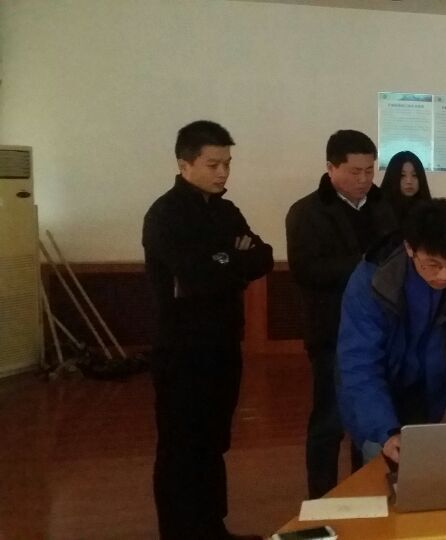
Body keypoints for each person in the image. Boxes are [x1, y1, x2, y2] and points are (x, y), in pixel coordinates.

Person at [143, 120, 273, 540]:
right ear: (184, 165)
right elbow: (194, 276)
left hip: (223, 345)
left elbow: (263, 257)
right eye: (213, 164)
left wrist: (223, 260)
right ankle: (178, 533)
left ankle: (212, 528)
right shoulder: (165, 215)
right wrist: (231, 258)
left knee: (214, 442)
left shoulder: (225, 210)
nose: (223, 173)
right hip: (181, 350)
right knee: (180, 446)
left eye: (227, 163)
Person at [336, 198, 446, 465]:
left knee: (424, 472)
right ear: (410, 248)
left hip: (428, 393)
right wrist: (386, 431)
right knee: (379, 470)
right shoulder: (372, 279)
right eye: (433, 264)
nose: (444, 275)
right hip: (375, 396)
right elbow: (359, 361)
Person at [286, 130, 398, 498]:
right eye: (355, 171)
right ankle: (321, 499)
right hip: (331, 331)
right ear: (331, 168)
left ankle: (364, 492)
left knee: (370, 419)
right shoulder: (306, 212)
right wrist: (365, 265)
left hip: (380, 331)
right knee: (330, 421)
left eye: (370, 170)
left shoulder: (384, 207)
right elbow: (307, 270)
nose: (364, 179)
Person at [379, 150, 432, 222]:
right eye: (402, 175)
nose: (409, 181)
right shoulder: (379, 212)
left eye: (414, 175)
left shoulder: (430, 212)